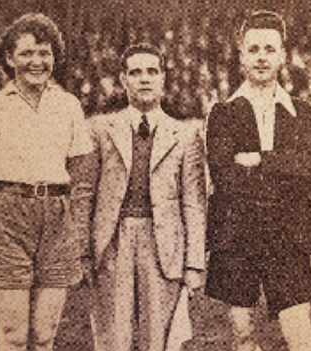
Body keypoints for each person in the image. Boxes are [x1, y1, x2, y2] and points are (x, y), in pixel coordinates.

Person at [0, 13, 92, 351]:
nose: (37, 61)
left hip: (57, 219)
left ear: (54, 57)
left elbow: (81, 174)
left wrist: (74, 228)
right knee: (14, 337)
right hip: (8, 216)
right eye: (27, 53)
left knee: (45, 336)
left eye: (44, 53)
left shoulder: (69, 105)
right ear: (9, 59)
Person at [205, 10, 311, 351]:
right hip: (236, 237)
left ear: (283, 56)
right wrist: (284, 171)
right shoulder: (223, 112)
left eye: (270, 49)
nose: (262, 57)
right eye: (254, 49)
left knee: (300, 337)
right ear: (242, 55)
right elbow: (224, 175)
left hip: (287, 236)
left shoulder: (303, 113)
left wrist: (260, 159)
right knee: (242, 333)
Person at [84, 43, 207, 351]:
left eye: (152, 71)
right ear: (123, 79)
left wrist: (193, 264)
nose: (144, 79)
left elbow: (193, 202)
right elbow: (84, 195)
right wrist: (83, 253)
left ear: (163, 78)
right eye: (135, 72)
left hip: (163, 243)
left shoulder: (184, 133)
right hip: (112, 242)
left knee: (160, 339)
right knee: (114, 337)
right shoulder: (100, 128)